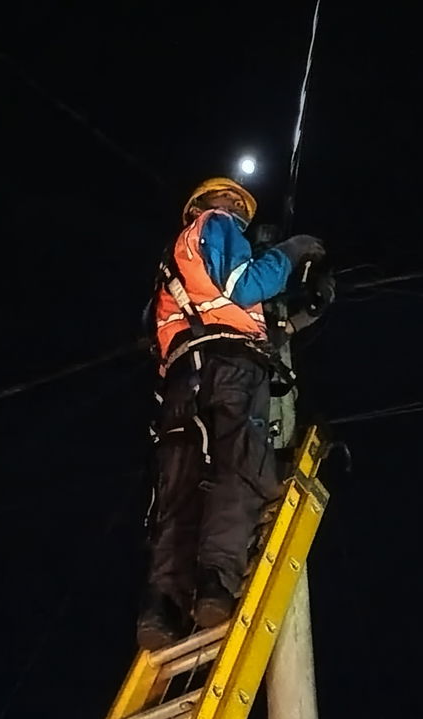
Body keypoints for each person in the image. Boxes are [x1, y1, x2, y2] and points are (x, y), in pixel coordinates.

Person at [136, 177, 327, 650]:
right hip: (229, 369)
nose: (236, 207)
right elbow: (244, 288)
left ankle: (163, 607)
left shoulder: (174, 264)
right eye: (229, 198)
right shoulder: (217, 226)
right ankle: (215, 583)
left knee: (181, 488)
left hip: (183, 378)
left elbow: (218, 314)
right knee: (238, 467)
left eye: (238, 202)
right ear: (202, 205)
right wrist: (292, 252)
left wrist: (297, 318)